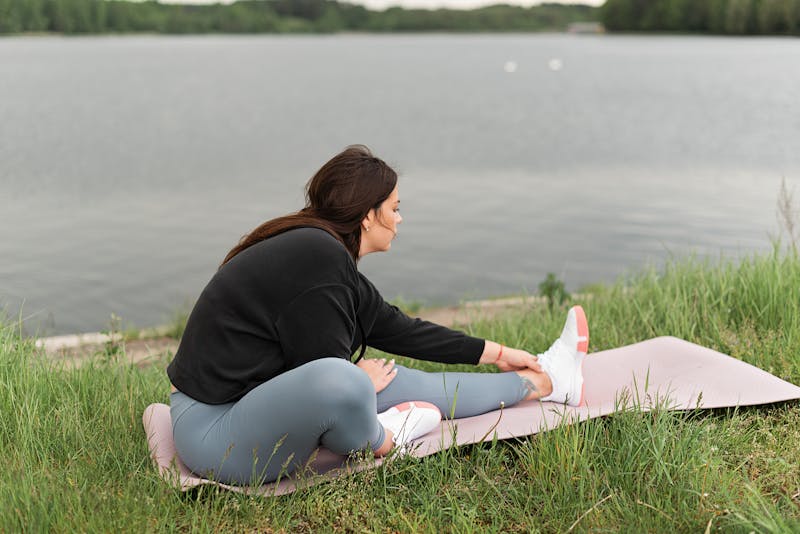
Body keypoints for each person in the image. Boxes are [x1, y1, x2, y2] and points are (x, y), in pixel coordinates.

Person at [166, 145, 589, 486]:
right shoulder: (317, 258)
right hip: (215, 437)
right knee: (348, 379)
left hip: (249, 409)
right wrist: (358, 384)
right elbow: (324, 380)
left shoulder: (325, 255)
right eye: (395, 207)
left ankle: (544, 382)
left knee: (393, 377)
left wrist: (498, 352)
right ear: (369, 216)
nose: (400, 219)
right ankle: (386, 438)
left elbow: (399, 329)